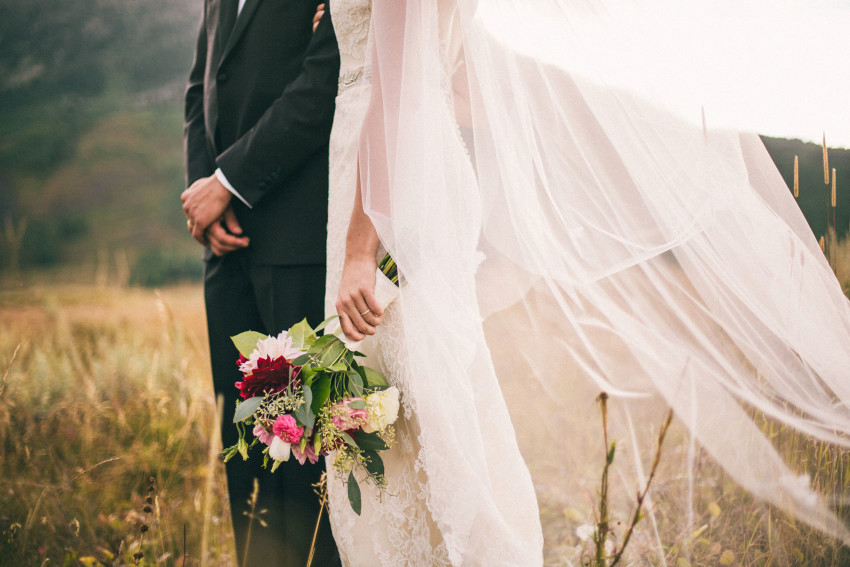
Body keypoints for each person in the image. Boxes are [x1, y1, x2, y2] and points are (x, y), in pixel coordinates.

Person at [325, 0, 850, 565]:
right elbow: (443, 75)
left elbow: (396, 93)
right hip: (410, 167)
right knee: (417, 381)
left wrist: (360, 249)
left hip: (386, 178)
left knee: (407, 378)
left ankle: (466, 549)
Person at [180, 1, 341, 565]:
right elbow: (202, 84)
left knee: (303, 457)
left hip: (297, 241)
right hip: (226, 252)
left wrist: (230, 181)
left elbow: (325, 83)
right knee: (244, 455)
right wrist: (205, 190)